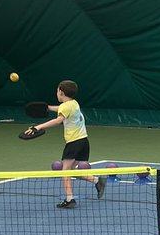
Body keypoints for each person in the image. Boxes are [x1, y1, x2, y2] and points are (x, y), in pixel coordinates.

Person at [32, 80, 106, 209]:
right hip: (84, 141)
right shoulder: (73, 103)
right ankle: (97, 181)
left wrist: (38, 127)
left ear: (61, 92)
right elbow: (61, 109)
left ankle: (69, 199)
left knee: (65, 171)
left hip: (74, 143)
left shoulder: (65, 107)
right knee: (71, 171)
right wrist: (48, 107)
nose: (57, 93)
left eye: (57, 91)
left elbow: (58, 120)